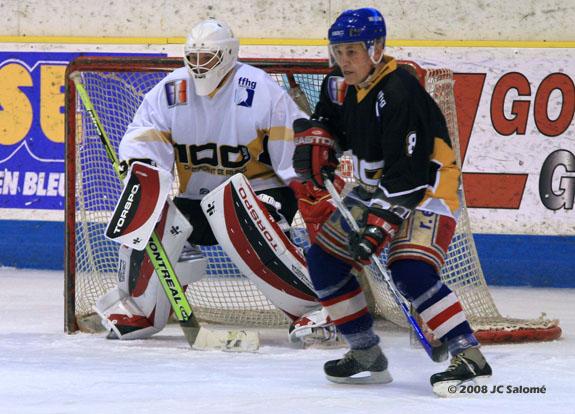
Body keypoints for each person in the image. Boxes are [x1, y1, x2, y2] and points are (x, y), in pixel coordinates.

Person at [95, 18, 335, 345]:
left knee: (234, 209)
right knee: (155, 217)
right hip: (196, 200)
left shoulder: (259, 89)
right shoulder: (172, 91)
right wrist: (141, 164)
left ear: (228, 54)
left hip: (261, 194)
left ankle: (314, 306)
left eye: (205, 58)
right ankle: (142, 309)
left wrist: (312, 201)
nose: (198, 66)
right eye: (192, 58)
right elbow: (142, 137)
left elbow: (294, 158)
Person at [291, 7, 492, 394]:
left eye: (353, 52)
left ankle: (469, 354)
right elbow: (330, 120)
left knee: (410, 269)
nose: (344, 61)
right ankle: (366, 352)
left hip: (426, 189)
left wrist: (378, 226)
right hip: (376, 187)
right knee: (324, 261)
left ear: (377, 48)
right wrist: (317, 138)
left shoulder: (400, 92)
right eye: (339, 51)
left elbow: (410, 172)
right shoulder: (338, 82)